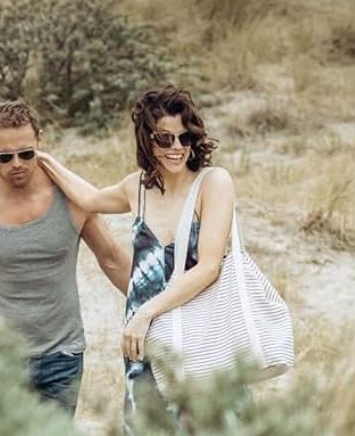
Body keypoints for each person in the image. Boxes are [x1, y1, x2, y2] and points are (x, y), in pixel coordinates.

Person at [36, 86, 237, 432]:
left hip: (199, 335)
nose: (176, 147)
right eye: (165, 138)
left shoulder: (213, 183)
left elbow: (209, 266)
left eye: (185, 137)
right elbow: (91, 198)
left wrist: (145, 313)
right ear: (147, 140)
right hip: (144, 341)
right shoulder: (138, 188)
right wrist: (43, 160)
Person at [0, 100, 132, 417]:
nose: (17, 164)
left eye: (26, 153)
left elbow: (112, 259)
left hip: (62, 357)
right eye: (5, 157)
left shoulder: (73, 199)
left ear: (40, 141)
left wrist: (159, 309)